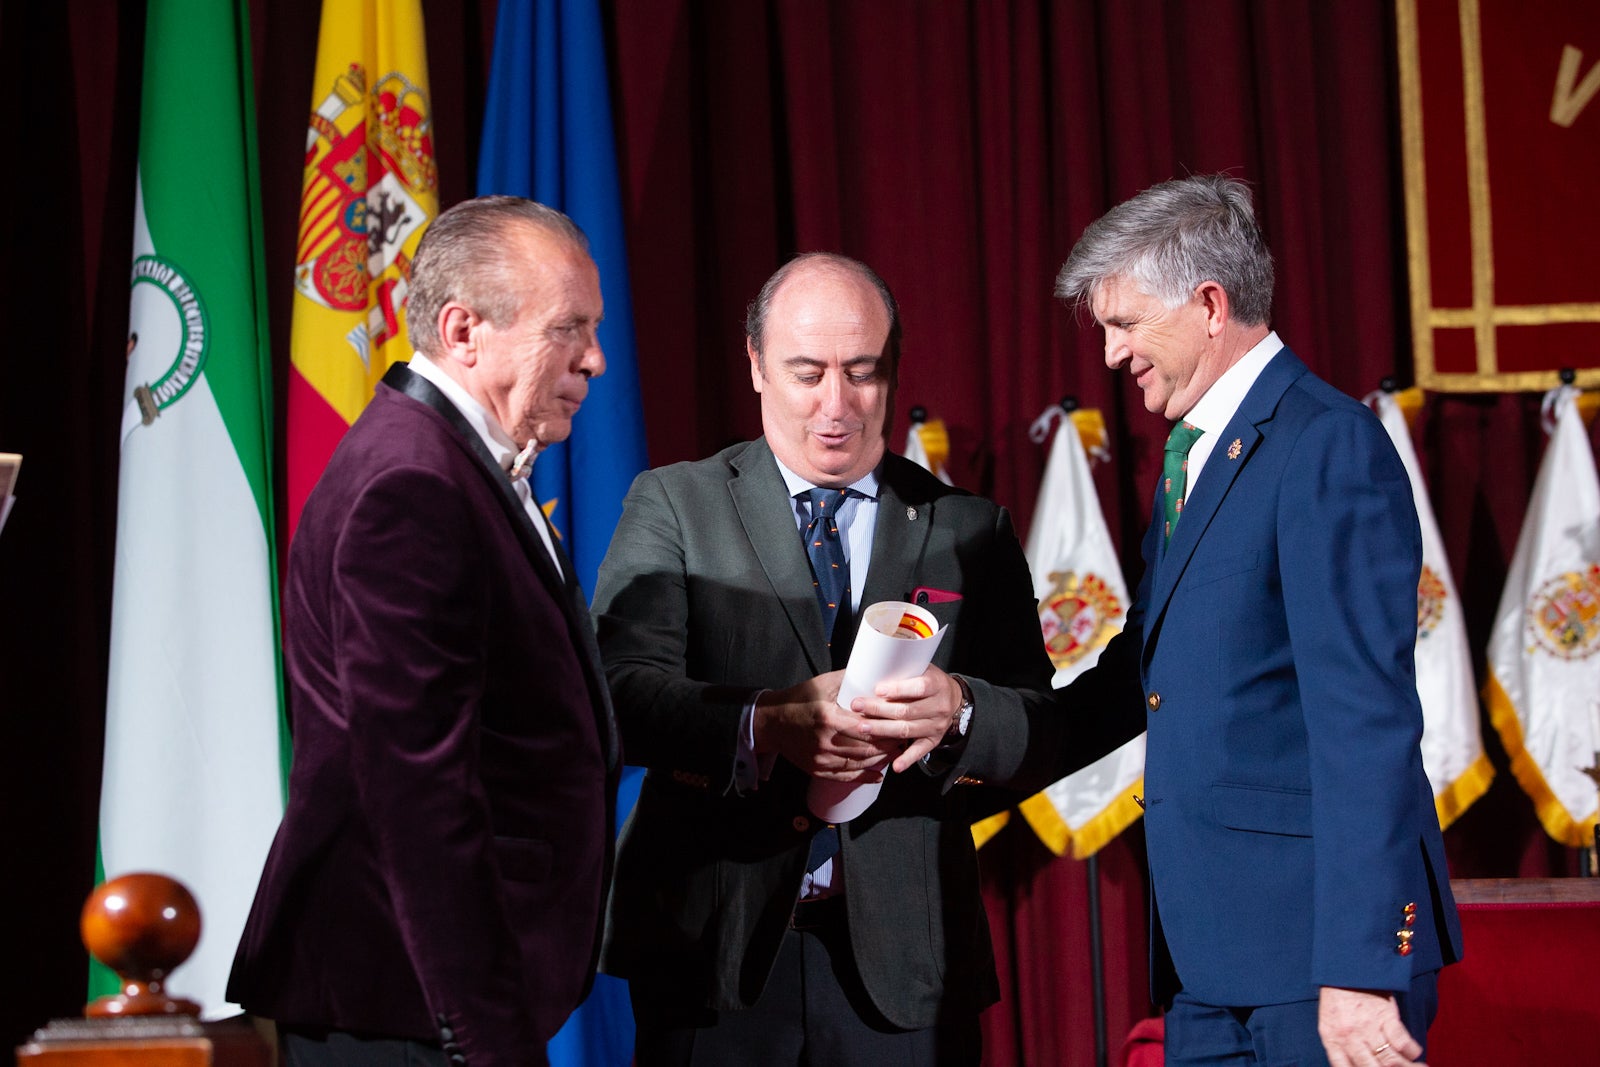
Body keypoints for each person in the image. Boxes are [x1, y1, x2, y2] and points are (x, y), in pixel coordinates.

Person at [591, 252, 1139, 1064]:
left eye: (863, 373)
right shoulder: (675, 503)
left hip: (906, 973)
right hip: (712, 956)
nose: (835, 406)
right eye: (807, 372)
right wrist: (762, 723)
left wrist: (961, 712)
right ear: (754, 366)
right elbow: (620, 698)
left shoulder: (967, 527)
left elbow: (1042, 726)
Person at [1046, 174, 1462, 1066]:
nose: (1114, 355)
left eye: (1125, 324)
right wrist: (969, 731)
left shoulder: (1325, 445)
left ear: (1208, 303)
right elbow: (1140, 680)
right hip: (1210, 966)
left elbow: (1365, 724)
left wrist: (1358, 969)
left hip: (1316, 970)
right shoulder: (1193, 456)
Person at [228, 196, 621, 1067]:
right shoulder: (413, 485)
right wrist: (487, 1041)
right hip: (409, 1010)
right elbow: (417, 792)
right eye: (570, 329)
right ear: (463, 329)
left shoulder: (449, 461)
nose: (595, 358)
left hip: (430, 1002)